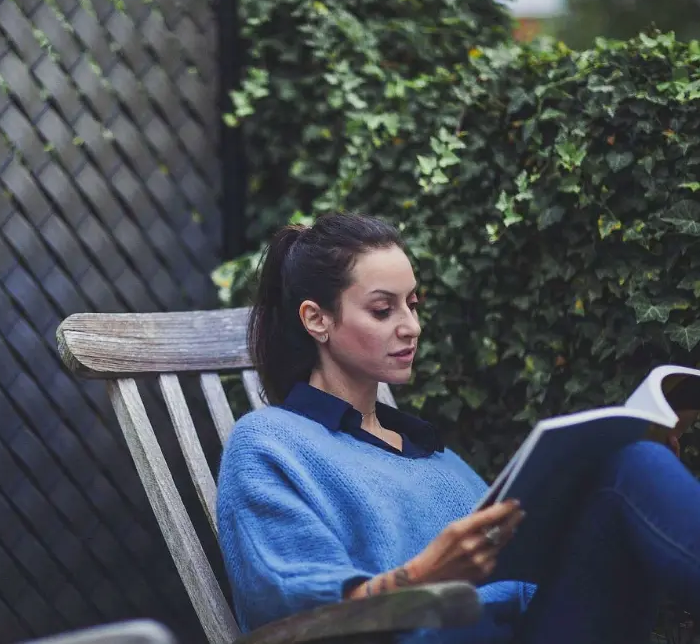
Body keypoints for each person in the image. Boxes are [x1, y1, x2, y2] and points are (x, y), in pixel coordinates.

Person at [216, 211, 700, 644]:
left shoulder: (432, 455)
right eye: (384, 310)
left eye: (414, 304)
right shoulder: (269, 443)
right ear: (316, 319)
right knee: (631, 473)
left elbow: (524, 579)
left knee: (634, 464)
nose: (411, 326)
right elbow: (291, 611)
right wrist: (425, 574)